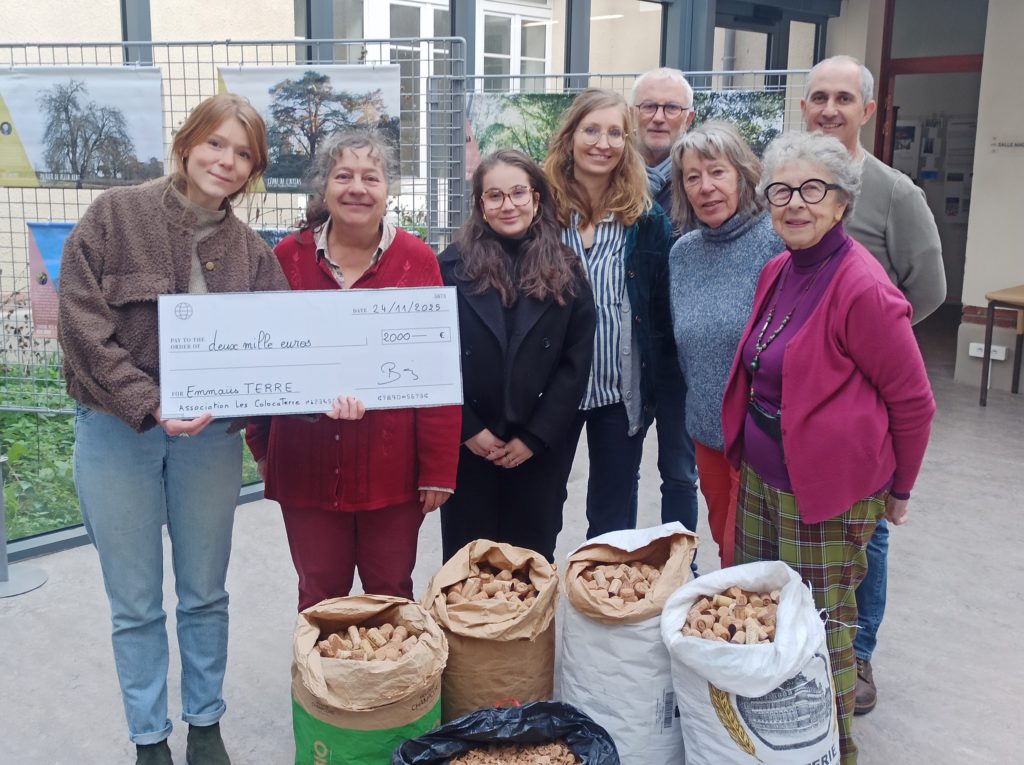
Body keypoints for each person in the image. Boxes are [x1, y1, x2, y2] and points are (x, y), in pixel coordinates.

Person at [59, 94, 290, 765]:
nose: (227, 160)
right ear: (187, 143)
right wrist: (150, 401)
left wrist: (309, 392)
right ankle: (149, 737)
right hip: (115, 433)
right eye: (216, 143)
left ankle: (205, 724)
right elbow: (81, 324)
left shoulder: (252, 254)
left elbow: (278, 352)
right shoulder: (114, 215)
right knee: (133, 599)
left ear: (254, 170)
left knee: (204, 590)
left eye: (243, 153)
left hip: (208, 443)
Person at [722, 131, 936, 765]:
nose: (795, 203)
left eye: (813, 190)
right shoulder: (778, 268)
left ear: (842, 202)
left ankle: (834, 746)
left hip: (828, 492)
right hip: (764, 478)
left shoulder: (863, 288)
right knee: (766, 611)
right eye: (781, 191)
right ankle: (769, 741)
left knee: (822, 625)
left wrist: (900, 491)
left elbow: (914, 401)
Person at [244, 130, 460, 611]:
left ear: (389, 190)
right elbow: (263, 358)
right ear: (324, 187)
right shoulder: (287, 260)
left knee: (391, 592)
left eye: (371, 177)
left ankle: (391, 688)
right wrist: (261, 445)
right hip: (305, 465)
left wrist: (439, 470)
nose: (357, 188)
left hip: (394, 471)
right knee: (319, 594)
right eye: (344, 176)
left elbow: (437, 371)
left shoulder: (418, 260)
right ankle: (322, 687)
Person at [802, 54, 945, 714]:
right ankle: (808, 645)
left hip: (864, 400)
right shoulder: (791, 180)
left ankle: (858, 656)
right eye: (818, 97)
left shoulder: (894, 193)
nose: (829, 108)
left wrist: (874, 342)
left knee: (870, 529)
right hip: (799, 396)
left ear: (866, 108)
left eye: (842, 97)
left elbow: (929, 287)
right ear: (803, 107)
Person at [438, 149, 596, 562]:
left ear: (536, 199)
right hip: (472, 446)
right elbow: (436, 357)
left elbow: (575, 365)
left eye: (518, 193)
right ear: (481, 206)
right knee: (467, 564)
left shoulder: (568, 270)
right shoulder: (450, 268)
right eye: (495, 196)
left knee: (530, 560)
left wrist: (534, 437)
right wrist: (468, 429)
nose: (508, 205)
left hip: (538, 447)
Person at [542, 87, 675, 539]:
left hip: (618, 389)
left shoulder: (645, 217)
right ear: (570, 137)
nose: (603, 143)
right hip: (551, 386)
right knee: (541, 503)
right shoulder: (541, 211)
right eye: (592, 130)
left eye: (616, 132)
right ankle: (531, 601)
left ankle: (603, 604)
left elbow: (659, 306)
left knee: (613, 512)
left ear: (628, 142)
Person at [667, 122, 783, 568]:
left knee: (749, 555)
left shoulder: (775, 243)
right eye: (692, 177)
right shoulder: (684, 253)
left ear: (743, 175)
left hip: (762, 436)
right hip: (707, 434)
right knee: (725, 544)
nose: (706, 187)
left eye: (717, 172)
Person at [629, 67, 700, 541]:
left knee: (679, 470)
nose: (659, 117)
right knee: (618, 471)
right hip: (625, 353)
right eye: (648, 107)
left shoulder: (703, 179)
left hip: (682, 358)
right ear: (632, 114)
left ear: (688, 117)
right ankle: (615, 561)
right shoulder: (608, 175)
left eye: (671, 107)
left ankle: (680, 563)